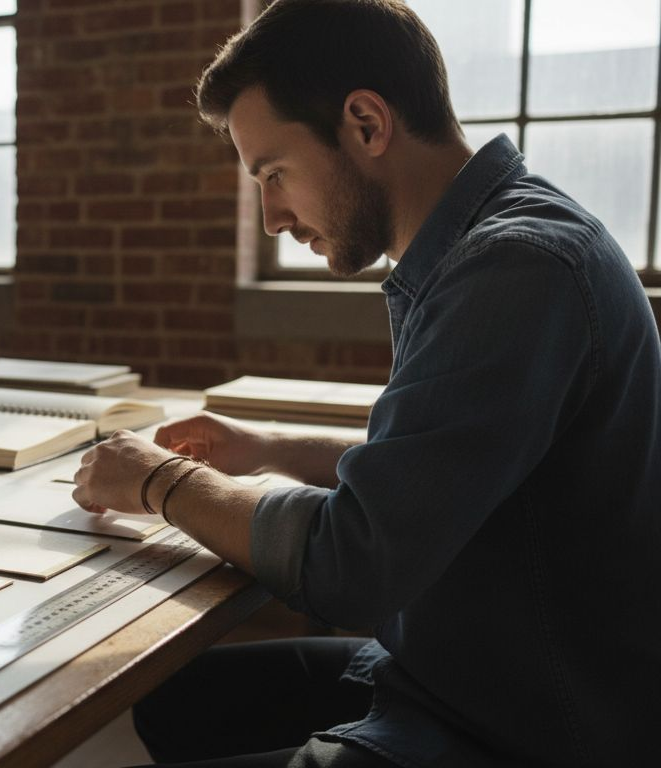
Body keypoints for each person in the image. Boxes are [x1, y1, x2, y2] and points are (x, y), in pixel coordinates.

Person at [70, 1, 661, 766]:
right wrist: (269, 447)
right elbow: (431, 469)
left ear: (366, 123)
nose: (271, 217)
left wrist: (161, 482)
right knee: (171, 696)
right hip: (455, 671)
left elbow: (353, 563)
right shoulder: (486, 245)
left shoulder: (515, 268)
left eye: (274, 174)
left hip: (527, 725)